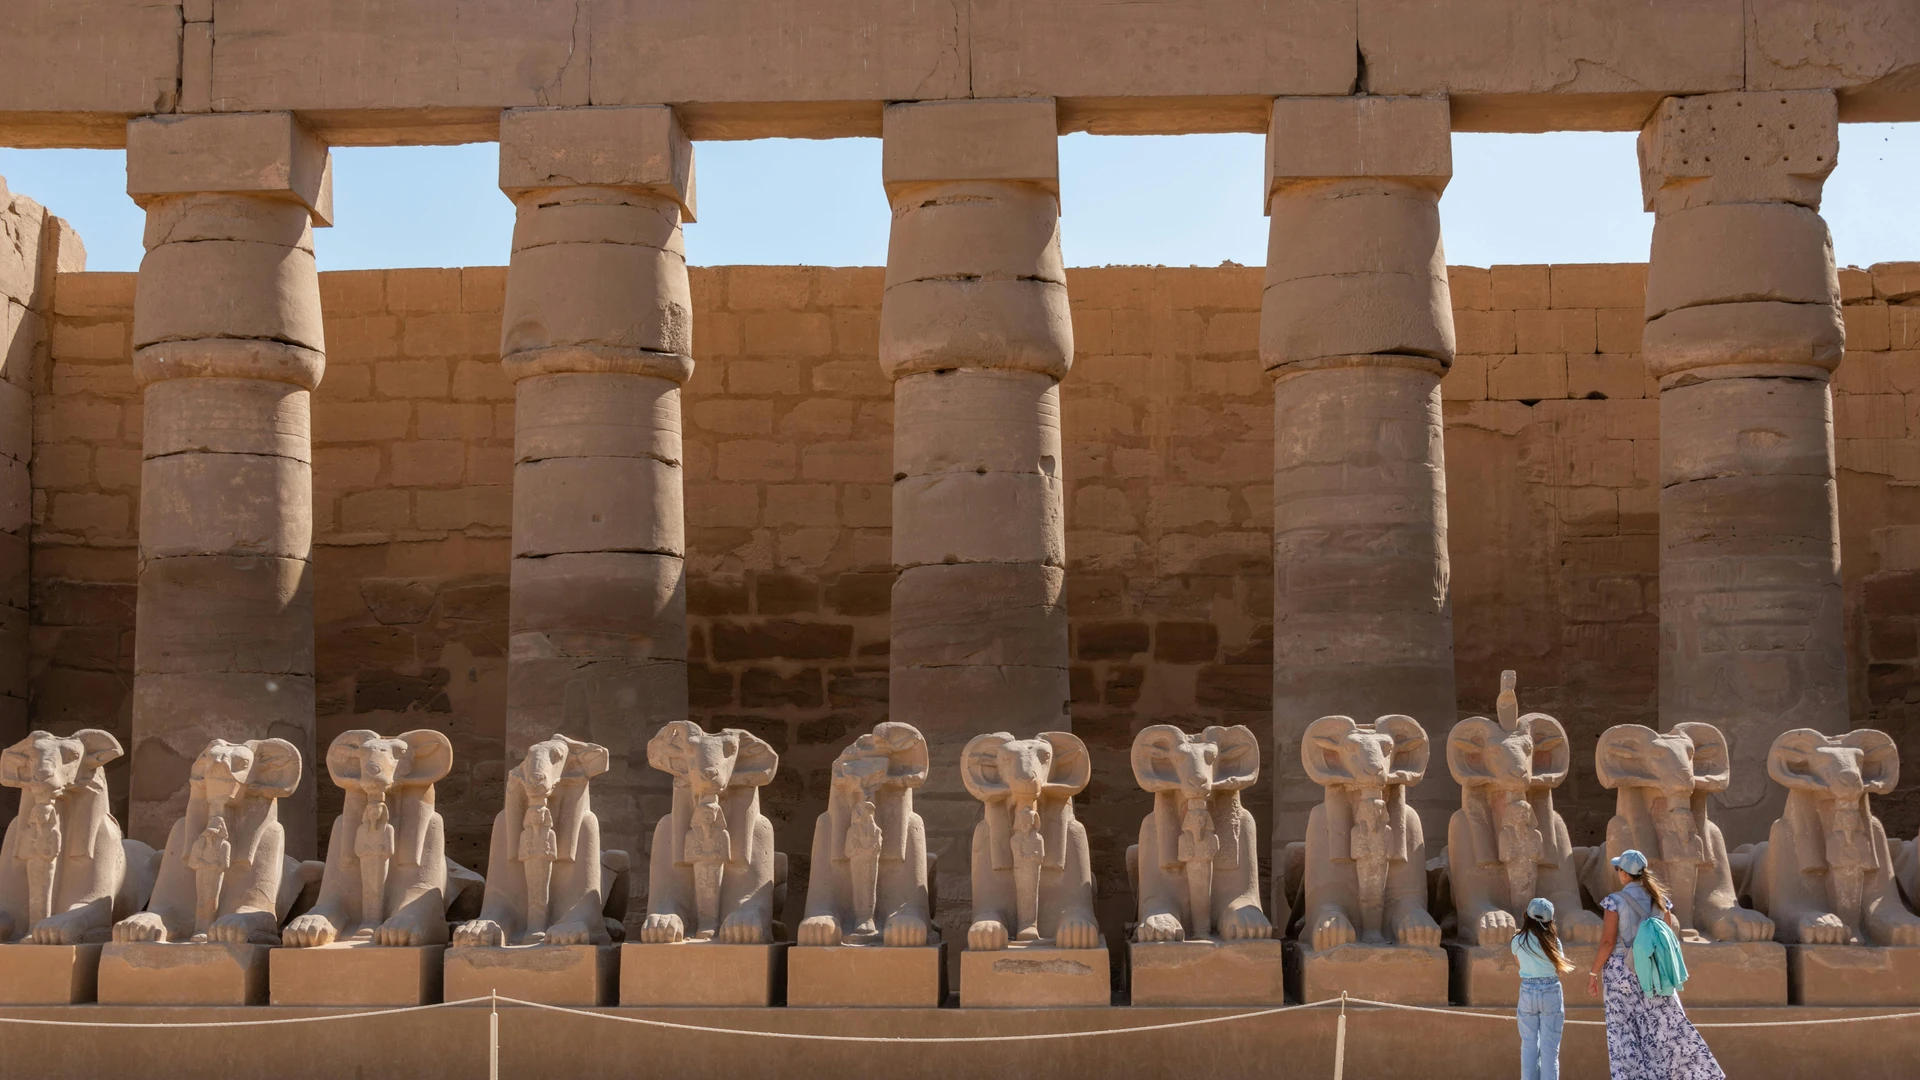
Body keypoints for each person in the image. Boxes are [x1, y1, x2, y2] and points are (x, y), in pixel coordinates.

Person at [1587, 849, 1725, 1079]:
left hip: (1622, 972)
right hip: (1653, 970)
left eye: (1618, 868)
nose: (1617, 872)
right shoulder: (1661, 901)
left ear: (1624, 874)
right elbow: (1668, 937)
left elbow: (1608, 941)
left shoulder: (1615, 901)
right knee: (1664, 1030)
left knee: (1625, 1032)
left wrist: (1593, 973)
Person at [1510, 896, 1574, 1080]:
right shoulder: (1554, 942)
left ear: (1526, 916)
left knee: (1528, 1046)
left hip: (1528, 991)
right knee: (1550, 1049)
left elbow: (1519, 963)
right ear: (1550, 921)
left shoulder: (1517, 941)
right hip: (1550, 991)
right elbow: (1557, 968)